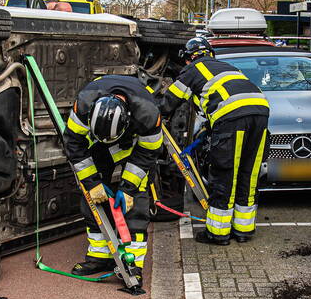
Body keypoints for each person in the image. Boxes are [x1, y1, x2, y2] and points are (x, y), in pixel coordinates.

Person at [160, 36, 270, 245]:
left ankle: (218, 234)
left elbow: (169, 101)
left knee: (225, 174)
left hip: (232, 117)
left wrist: (152, 114)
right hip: (261, 111)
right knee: (248, 172)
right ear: (210, 53)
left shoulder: (192, 69)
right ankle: (243, 230)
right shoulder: (228, 67)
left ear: (188, 58)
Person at [63, 75, 163, 278]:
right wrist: (92, 183)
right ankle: (99, 256)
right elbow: (73, 144)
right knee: (92, 198)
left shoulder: (148, 114)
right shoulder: (84, 104)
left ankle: (132, 265)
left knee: (136, 200)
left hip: (135, 145)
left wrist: (128, 189)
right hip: (98, 144)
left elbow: (147, 153)